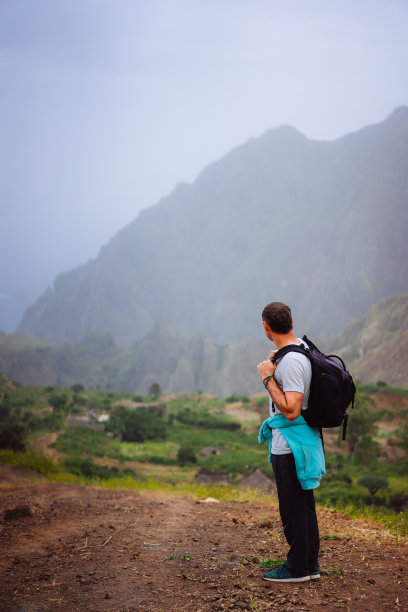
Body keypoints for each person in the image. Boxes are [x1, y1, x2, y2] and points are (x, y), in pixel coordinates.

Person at [256, 301, 325, 583]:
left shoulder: (293, 361)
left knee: (293, 508)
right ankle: (309, 564)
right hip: (301, 441)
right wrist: (278, 362)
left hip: (291, 445)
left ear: (266, 327)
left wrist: (268, 378)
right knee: (304, 505)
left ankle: (297, 567)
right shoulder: (299, 350)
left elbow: (292, 408)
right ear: (291, 321)